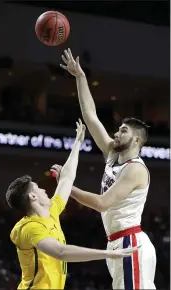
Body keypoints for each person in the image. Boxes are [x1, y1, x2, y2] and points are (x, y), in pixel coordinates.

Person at [58, 49, 156, 289]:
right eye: (118, 128)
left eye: (124, 131)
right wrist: (80, 77)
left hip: (130, 242)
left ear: (136, 140)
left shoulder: (135, 170)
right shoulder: (113, 153)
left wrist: (67, 185)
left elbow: (102, 203)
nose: (116, 133)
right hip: (116, 243)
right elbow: (91, 118)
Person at [7, 120, 139, 290]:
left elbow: (67, 179)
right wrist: (108, 254)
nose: (44, 190)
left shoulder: (51, 211)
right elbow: (61, 252)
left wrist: (77, 143)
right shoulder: (29, 228)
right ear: (32, 196)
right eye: (38, 188)